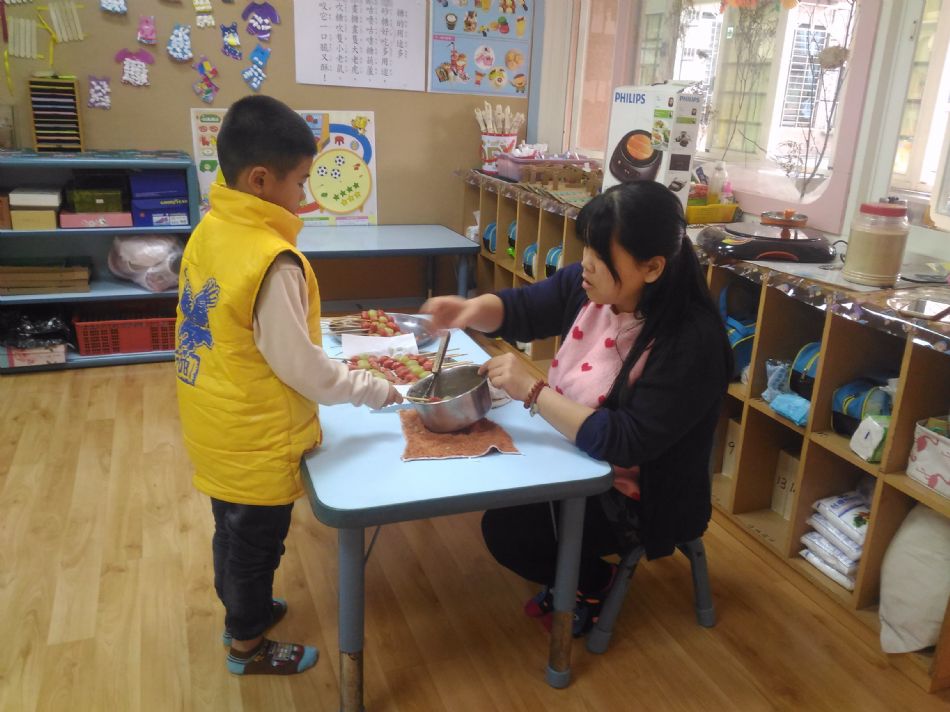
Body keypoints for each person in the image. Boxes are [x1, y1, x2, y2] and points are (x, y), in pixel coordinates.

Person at [423, 181, 731, 636]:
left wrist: (534, 391)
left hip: (638, 496)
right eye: (587, 245)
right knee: (486, 480)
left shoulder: (691, 341)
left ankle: (594, 578)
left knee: (508, 532)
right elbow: (523, 308)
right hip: (574, 454)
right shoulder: (591, 288)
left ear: (651, 267)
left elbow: (626, 441)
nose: (585, 262)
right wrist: (469, 309)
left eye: (600, 254)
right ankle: (571, 572)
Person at [175, 95, 402, 676]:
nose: (304, 196)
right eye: (300, 182)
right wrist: (373, 389)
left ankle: (241, 612)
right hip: (256, 436)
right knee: (256, 545)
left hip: (214, 422)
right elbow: (302, 369)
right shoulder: (272, 261)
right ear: (260, 179)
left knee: (230, 531)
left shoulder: (211, 228)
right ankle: (247, 645)